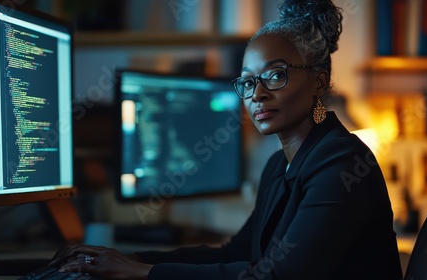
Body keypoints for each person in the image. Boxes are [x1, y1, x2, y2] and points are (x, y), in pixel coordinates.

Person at [52, 0, 403, 279]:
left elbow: (280, 275)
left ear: (320, 81)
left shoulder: (339, 165)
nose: (257, 94)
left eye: (275, 75)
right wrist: (132, 259)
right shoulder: (280, 165)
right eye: (248, 82)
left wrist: (143, 273)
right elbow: (236, 254)